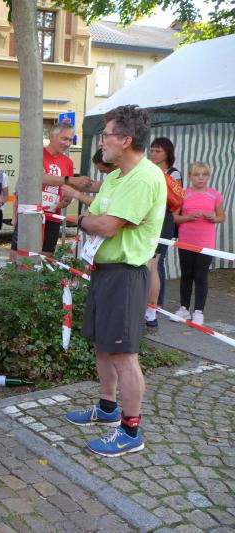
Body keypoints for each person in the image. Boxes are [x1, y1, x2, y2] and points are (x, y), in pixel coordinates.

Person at [66, 105, 166, 457]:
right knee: (103, 345)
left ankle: (131, 430)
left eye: (106, 135)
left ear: (125, 140)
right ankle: (107, 408)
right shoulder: (115, 176)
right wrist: (93, 220)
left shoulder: (145, 177)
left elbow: (105, 225)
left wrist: (83, 222)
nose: (101, 142)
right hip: (105, 270)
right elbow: (98, 216)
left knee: (124, 354)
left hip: (126, 274)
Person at [11, 122, 92, 258]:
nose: (68, 143)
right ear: (52, 136)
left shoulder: (68, 162)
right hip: (31, 213)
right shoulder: (37, 155)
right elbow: (40, 178)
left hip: (53, 216)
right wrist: (71, 180)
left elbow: (68, 187)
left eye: (70, 140)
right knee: (19, 254)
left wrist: (67, 199)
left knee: (47, 256)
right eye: (64, 139)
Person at [171, 162, 225, 326]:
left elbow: (222, 216)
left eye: (204, 174)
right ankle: (184, 308)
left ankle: (199, 312)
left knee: (201, 276)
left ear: (208, 176)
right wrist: (188, 217)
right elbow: (174, 218)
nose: (200, 178)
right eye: (196, 175)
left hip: (206, 243)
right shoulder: (183, 194)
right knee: (186, 275)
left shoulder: (215, 194)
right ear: (190, 177)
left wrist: (213, 218)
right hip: (186, 241)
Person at [145, 137, 183, 329]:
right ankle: (149, 305)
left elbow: (176, 201)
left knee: (155, 263)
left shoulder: (172, 173)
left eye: (158, 151)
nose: (153, 154)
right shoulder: (148, 169)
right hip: (149, 218)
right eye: (152, 150)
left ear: (167, 153)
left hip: (162, 219)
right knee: (149, 263)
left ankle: (155, 306)